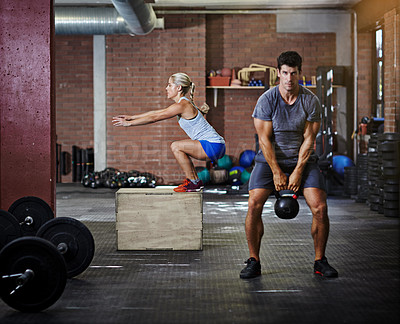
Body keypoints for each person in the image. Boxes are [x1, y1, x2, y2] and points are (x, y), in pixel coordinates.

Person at [240, 51, 338, 279]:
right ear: (278, 73)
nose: (289, 79)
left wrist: (296, 173)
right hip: (269, 159)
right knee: (254, 204)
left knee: (320, 208)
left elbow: (309, 141)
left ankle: (319, 260)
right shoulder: (267, 100)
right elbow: (263, 140)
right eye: (285, 73)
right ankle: (254, 260)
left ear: (300, 74)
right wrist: (276, 172)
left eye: (293, 73)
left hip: (302, 160)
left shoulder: (310, 101)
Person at [112, 72, 225, 192]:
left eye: (169, 85)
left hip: (213, 145)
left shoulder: (182, 105)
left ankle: (193, 182)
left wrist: (129, 124)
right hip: (216, 146)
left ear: (178, 87)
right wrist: (131, 117)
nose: (166, 88)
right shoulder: (183, 103)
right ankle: (194, 181)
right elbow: (155, 113)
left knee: (176, 146)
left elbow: (155, 117)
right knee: (178, 147)